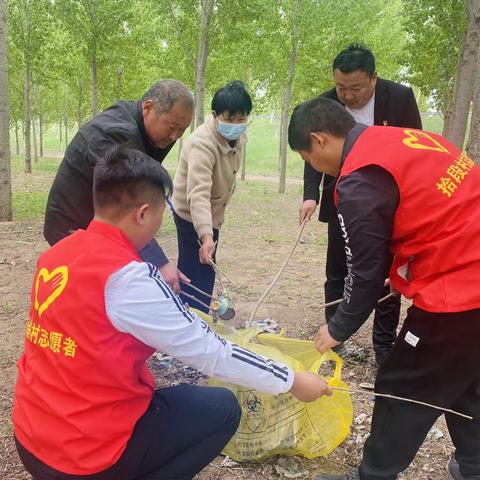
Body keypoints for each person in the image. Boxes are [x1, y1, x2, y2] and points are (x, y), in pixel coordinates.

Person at [14, 146, 333, 480]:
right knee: (222, 409)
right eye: (161, 210)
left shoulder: (57, 254)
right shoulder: (127, 277)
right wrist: (291, 379)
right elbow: (210, 352)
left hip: (32, 435)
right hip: (85, 456)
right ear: (142, 214)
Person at [288, 97, 480, 480]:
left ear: (319, 140)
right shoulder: (403, 138)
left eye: (308, 158)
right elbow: (436, 207)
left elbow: (364, 272)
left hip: (461, 289)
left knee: (401, 384)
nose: (314, 167)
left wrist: (337, 327)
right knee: (466, 376)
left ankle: (372, 475)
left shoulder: (359, 179)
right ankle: (475, 464)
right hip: (468, 271)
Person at [299, 44, 422, 364]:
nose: (347, 96)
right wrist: (310, 194)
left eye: (355, 88)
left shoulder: (399, 98)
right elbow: (311, 154)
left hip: (389, 204)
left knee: (384, 272)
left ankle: (383, 347)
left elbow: (414, 144)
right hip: (342, 197)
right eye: (341, 87)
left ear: (374, 79)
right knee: (338, 269)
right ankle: (335, 340)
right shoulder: (325, 103)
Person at [43, 79, 193, 293]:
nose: (175, 137)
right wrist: (159, 262)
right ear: (148, 107)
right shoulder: (116, 135)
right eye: (172, 127)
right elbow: (127, 205)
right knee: (89, 292)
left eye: (182, 130)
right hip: (72, 224)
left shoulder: (151, 133)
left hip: (98, 223)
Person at [171, 80, 251, 312]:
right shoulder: (201, 144)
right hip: (191, 215)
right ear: (215, 115)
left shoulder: (237, 137)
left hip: (212, 213)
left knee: (205, 268)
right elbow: (198, 194)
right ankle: (191, 318)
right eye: (229, 118)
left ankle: (195, 316)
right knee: (194, 273)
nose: (236, 124)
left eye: (241, 119)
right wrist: (206, 236)